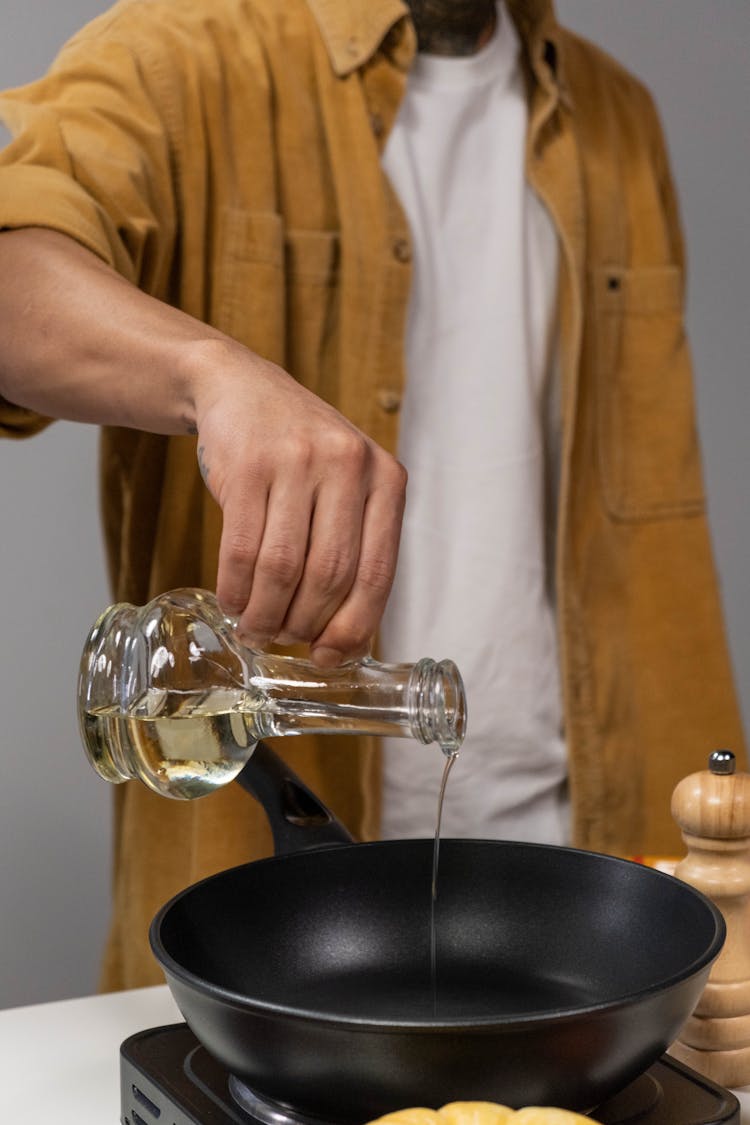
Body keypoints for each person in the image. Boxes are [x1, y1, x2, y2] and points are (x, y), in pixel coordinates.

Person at [0, 0, 744, 991]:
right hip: (280, 921)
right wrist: (213, 371)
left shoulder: (616, 117)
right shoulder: (175, 54)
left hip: (606, 897)